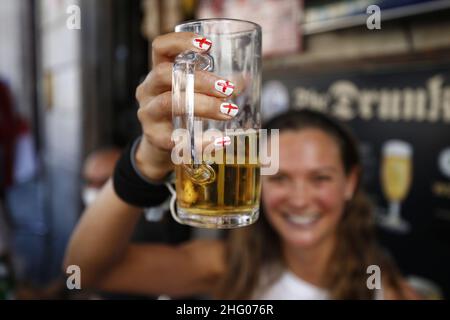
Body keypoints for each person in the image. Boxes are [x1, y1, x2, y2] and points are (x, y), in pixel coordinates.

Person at [63, 32, 420, 300]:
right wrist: (145, 163)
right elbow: (84, 271)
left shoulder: (389, 292)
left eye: (320, 178)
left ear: (350, 182)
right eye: (279, 177)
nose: (299, 198)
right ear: (255, 181)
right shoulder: (229, 268)